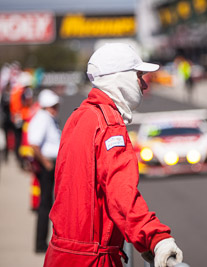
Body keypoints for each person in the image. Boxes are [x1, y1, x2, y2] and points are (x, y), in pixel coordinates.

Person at [43, 43, 183, 267]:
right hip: (93, 260)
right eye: (139, 76)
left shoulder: (80, 116)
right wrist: (155, 238)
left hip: (60, 255)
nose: (144, 84)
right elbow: (122, 195)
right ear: (122, 79)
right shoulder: (109, 125)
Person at [27, 89, 61, 253]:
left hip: (50, 163)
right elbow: (34, 143)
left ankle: (43, 242)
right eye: (53, 105)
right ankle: (41, 244)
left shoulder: (47, 118)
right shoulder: (43, 118)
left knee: (48, 203)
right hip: (48, 165)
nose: (56, 108)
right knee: (45, 204)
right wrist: (46, 163)